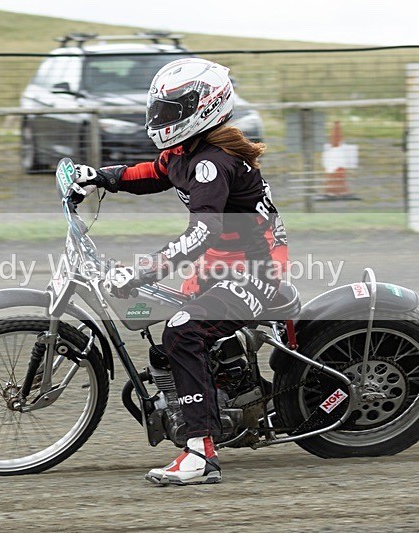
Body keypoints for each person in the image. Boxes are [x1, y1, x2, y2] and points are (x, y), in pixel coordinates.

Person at [73, 58, 288, 485]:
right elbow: (151, 173)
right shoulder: (186, 152)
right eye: (158, 108)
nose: (160, 118)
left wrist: (145, 270)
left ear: (203, 108)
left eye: (170, 110)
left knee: (182, 331)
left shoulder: (214, 162)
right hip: (220, 265)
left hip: (255, 271)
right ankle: (227, 394)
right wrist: (98, 177)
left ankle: (200, 454)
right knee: (169, 333)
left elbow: (203, 232)